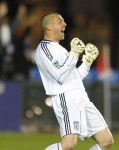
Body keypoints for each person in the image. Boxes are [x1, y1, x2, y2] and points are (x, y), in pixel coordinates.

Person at [35, 12, 114, 150]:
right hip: (66, 98)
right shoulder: (44, 49)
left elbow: (74, 77)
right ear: (49, 26)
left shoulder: (59, 49)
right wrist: (74, 54)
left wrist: (87, 61)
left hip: (81, 96)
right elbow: (60, 76)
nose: (64, 24)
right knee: (68, 145)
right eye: (60, 21)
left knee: (106, 140)